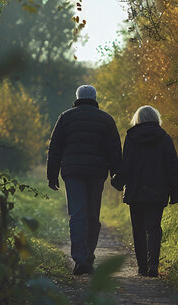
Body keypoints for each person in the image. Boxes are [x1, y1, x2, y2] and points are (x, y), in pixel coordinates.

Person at [46, 85, 122, 275]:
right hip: (96, 173)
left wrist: (52, 175)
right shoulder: (106, 119)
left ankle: (80, 259)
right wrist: (117, 175)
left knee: (77, 215)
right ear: (95, 98)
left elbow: (55, 147)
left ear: (77, 98)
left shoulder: (66, 117)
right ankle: (88, 256)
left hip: (72, 172)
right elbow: (114, 150)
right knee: (93, 216)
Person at [111, 105, 178, 277]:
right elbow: (173, 168)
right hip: (158, 191)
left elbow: (126, 165)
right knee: (154, 228)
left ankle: (142, 267)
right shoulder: (165, 138)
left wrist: (117, 182)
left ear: (138, 119)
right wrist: (175, 193)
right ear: (156, 118)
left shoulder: (131, 138)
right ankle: (153, 266)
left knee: (138, 229)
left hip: (136, 191)